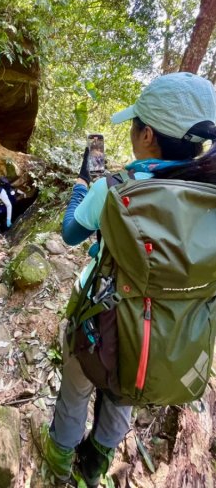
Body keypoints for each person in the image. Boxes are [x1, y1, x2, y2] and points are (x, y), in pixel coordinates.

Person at [33, 72, 216, 487]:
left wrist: (83, 186)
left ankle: (60, 464)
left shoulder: (117, 188)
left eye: (135, 125)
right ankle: (96, 465)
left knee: (77, 390)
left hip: (102, 325)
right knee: (123, 397)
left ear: (147, 134)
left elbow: (71, 233)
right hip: (171, 338)